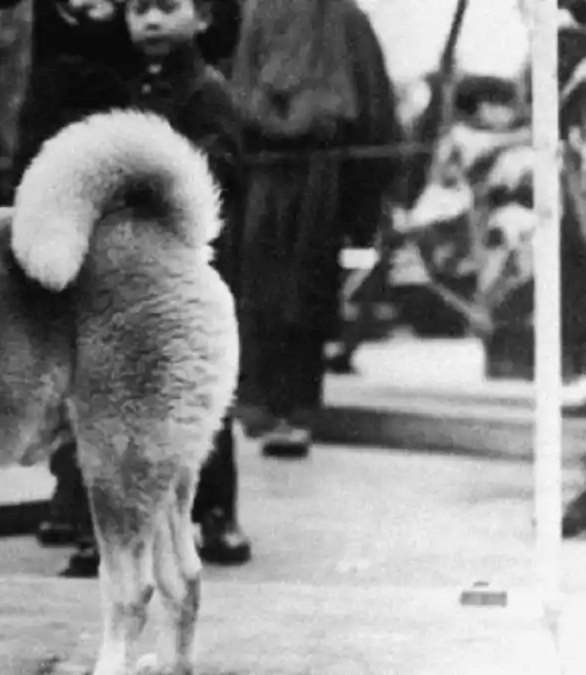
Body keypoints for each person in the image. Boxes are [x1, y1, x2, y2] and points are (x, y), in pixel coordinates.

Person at [28, 0, 252, 574]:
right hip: (124, 265)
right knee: (108, 393)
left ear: (201, 18)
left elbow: (220, 169)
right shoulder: (119, 87)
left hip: (185, 258)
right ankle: (96, 523)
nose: (151, 22)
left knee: (193, 394)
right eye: (139, 9)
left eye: (167, 7)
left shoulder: (208, 92)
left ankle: (216, 511)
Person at [230, 0, 401, 457]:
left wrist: (363, 201)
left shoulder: (343, 18)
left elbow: (374, 110)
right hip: (262, 167)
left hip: (321, 169)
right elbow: (238, 90)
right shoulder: (256, 13)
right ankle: (259, 402)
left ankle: (297, 408)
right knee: (258, 286)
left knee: (305, 289)